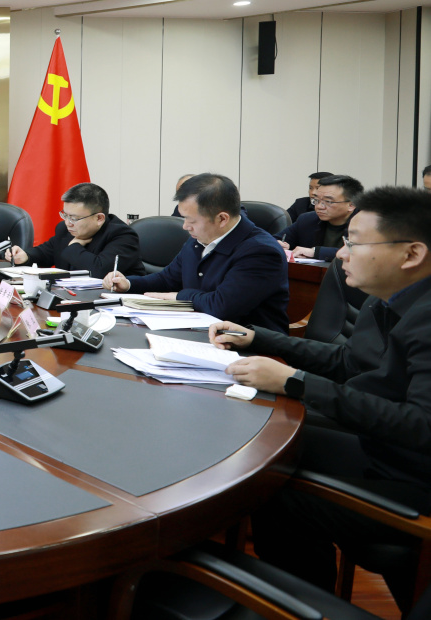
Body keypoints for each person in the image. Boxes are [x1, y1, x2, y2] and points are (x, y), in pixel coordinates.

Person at [208, 186, 431, 610]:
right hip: (383, 448)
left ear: (411, 254)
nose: (341, 255)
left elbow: (422, 426)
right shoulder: (389, 300)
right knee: (257, 451)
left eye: (355, 243)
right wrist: (259, 338)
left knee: (271, 490)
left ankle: (303, 608)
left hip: (415, 477)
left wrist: (295, 382)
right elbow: (349, 361)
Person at [103, 173, 289, 332]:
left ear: (222, 219)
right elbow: (167, 279)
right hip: (197, 333)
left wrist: (180, 296)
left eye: (191, 220)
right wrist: (128, 284)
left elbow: (222, 307)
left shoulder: (261, 252)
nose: (185, 226)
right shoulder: (199, 239)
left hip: (250, 350)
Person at [4, 182, 143, 278]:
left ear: (99, 218)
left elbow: (100, 271)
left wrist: (74, 247)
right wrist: (26, 256)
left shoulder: (123, 236)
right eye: (65, 215)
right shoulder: (65, 229)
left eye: (74, 218)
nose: (68, 223)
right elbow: (45, 253)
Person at [277, 174, 362, 261]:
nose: (319, 207)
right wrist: (277, 244)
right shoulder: (307, 219)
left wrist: (316, 252)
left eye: (328, 201)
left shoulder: (366, 225)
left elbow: (360, 253)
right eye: (316, 200)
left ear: (351, 205)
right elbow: (275, 240)